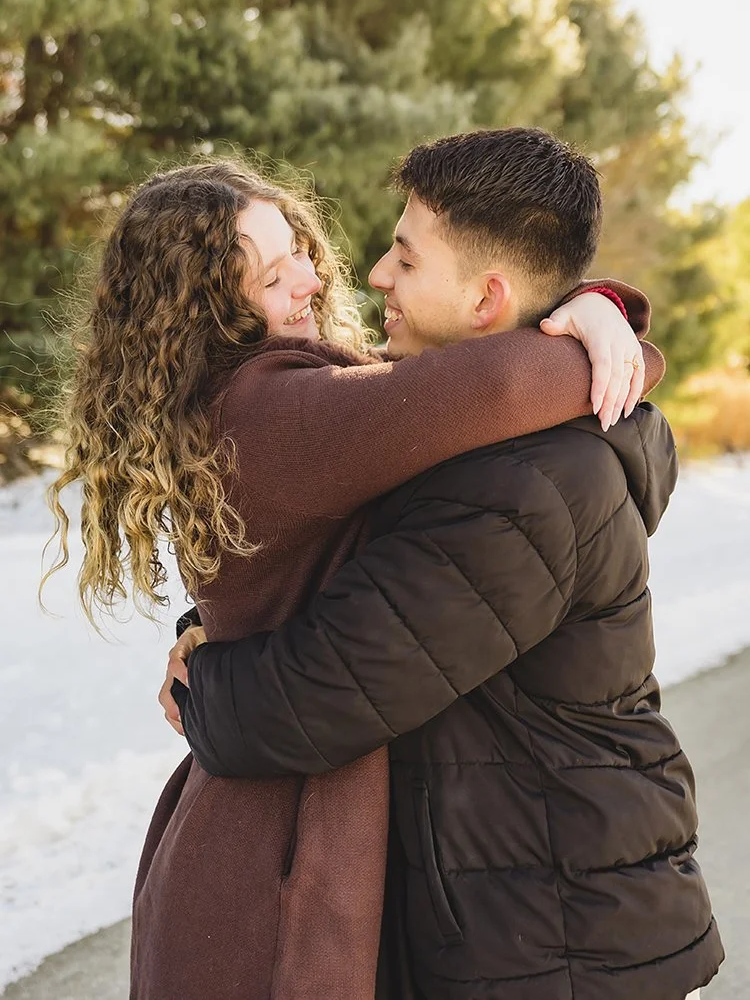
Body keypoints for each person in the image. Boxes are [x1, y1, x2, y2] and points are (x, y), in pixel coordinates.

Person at [44, 143, 658, 1000]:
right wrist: (606, 327)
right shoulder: (278, 413)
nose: (312, 276)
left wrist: (592, 304)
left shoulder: (277, 395)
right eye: (267, 276)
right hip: (268, 868)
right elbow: (501, 385)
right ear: (209, 313)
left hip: (254, 832)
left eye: (294, 243)